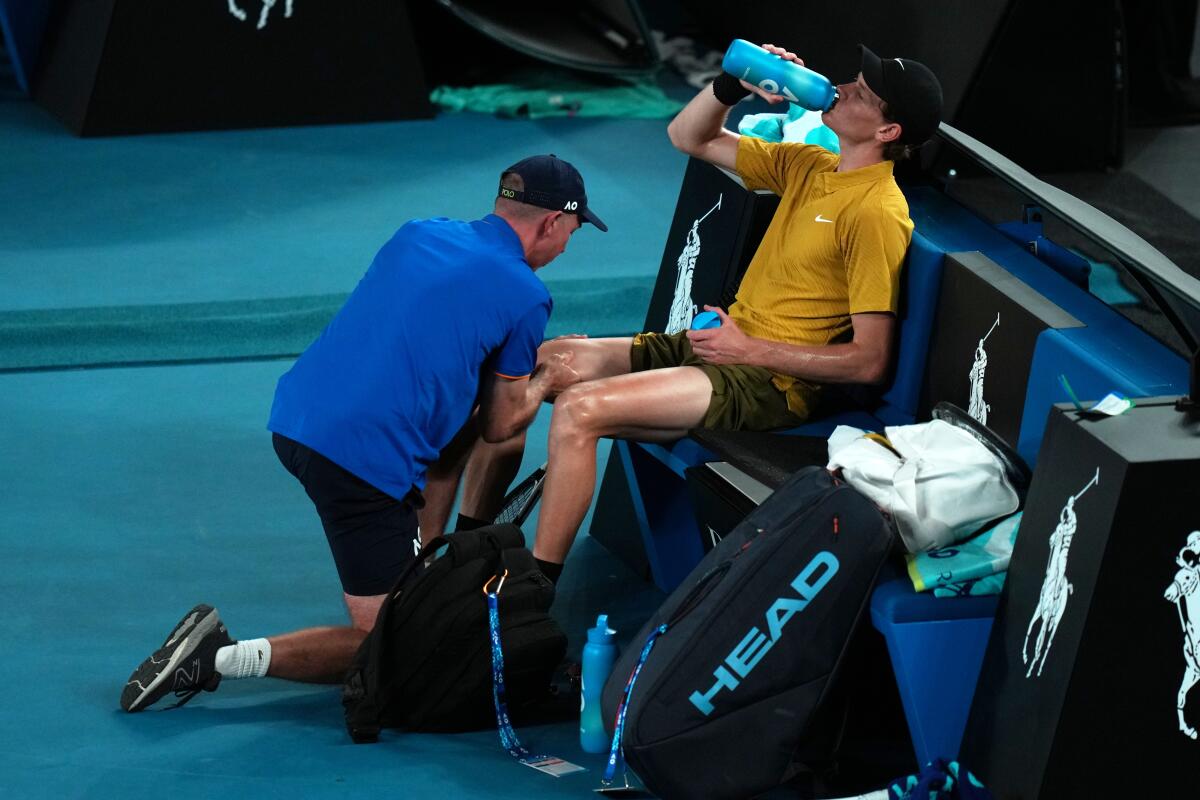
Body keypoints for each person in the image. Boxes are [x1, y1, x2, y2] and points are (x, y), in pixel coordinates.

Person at [119, 155, 606, 712]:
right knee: (395, 649)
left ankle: (416, 573)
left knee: (426, 502)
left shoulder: (418, 232)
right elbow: (500, 423)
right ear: (550, 223)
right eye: (571, 231)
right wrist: (546, 376)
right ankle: (219, 657)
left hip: (297, 417)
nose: (567, 246)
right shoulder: (526, 294)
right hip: (356, 460)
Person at [452, 43, 943, 578]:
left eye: (862, 94)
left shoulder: (878, 214)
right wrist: (735, 83)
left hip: (768, 383)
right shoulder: (810, 165)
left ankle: (534, 591)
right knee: (538, 359)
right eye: (852, 79)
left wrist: (747, 348)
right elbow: (689, 137)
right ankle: (464, 551)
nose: (842, 88)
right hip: (719, 348)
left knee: (580, 410)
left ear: (887, 132)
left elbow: (869, 362)